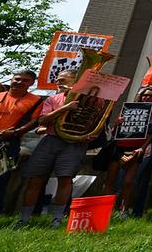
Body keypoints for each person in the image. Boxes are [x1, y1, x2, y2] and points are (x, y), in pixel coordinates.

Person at [16, 70, 101, 228]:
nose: (58, 82)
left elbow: (96, 121)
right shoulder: (53, 99)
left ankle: (56, 219)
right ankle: (24, 218)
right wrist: (65, 108)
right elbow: (43, 120)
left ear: (75, 82)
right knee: (35, 179)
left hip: (75, 143)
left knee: (65, 178)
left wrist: (90, 134)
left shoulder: (91, 101)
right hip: (51, 139)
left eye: (63, 80)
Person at [104, 86, 152, 215]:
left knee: (128, 182)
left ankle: (124, 210)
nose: (147, 97)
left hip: (136, 150)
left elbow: (151, 134)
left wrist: (142, 147)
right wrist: (117, 123)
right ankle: (106, 209)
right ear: (140, 96)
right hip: (119, 147)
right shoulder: (128, 109)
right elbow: (114, 132)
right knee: (110, 180)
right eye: (145, 95)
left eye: (150, 96)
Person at [0, 69, 44, 211]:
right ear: (11, 79)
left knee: (1, 178)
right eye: (17, 78)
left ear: (31, 83)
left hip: (10, 142)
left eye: (25, 80)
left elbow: (34, 121)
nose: (19, 82)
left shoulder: (36, 101)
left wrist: (15, 132)